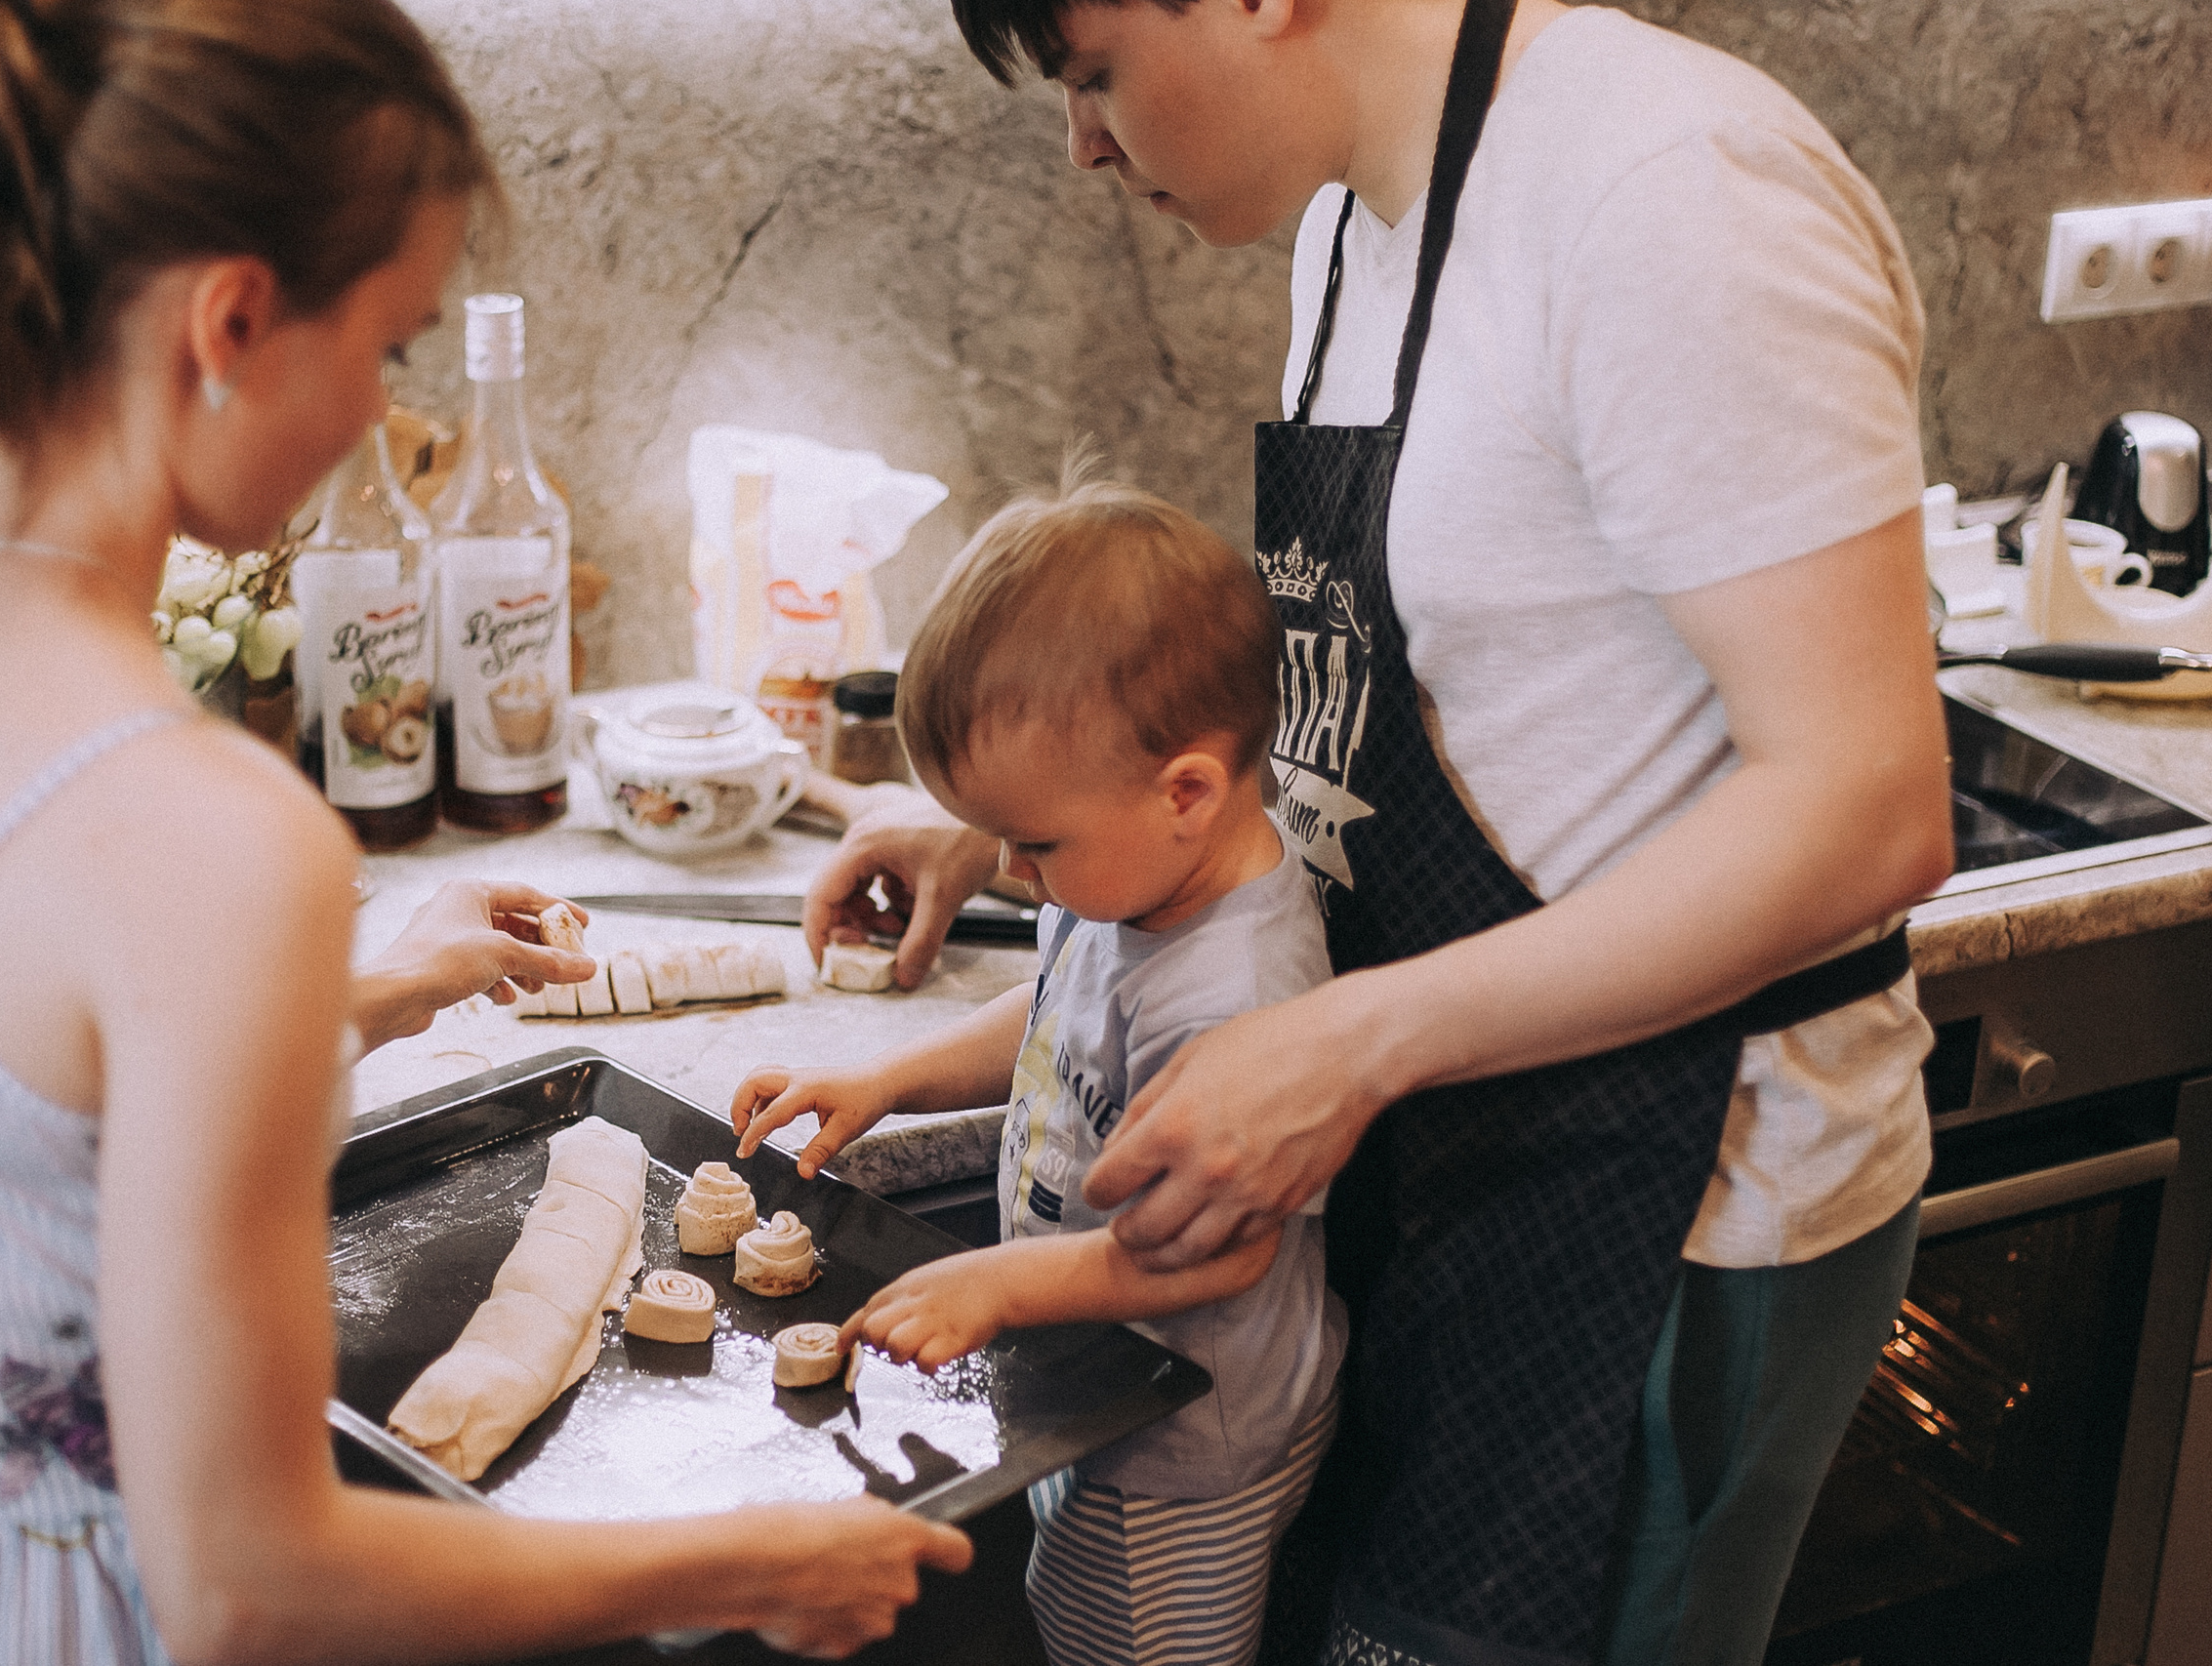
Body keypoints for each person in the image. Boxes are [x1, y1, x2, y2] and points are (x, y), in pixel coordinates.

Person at [0, 2, 967, 1662]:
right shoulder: (213, 829)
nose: (385, 409)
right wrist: (743, 1563)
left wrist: (366, 993)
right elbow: (251, 1584)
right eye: (388, 348)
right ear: (234, 319)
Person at [806, 1, 1953, 1661]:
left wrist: (1347, 1043)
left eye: (1096, 70)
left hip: (1671, 1211)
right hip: (1452, 1167)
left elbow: (1867, 809)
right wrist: (1031, 824)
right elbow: (1427, 672)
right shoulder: (1356, 218)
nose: (1085, 144)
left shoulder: (1672, 190)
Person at [735, 477, 1343, 1666]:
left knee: (1114, 1641)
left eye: (1036, 841)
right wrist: (893, 1082)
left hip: (1183, 1444)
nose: (1008, 867)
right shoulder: (1136, 876)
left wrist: (1002, 1290)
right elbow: (1058, 1014)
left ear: (1186, 791)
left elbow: (1229, 1248)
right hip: (1103, 1376)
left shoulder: (1239, 995)